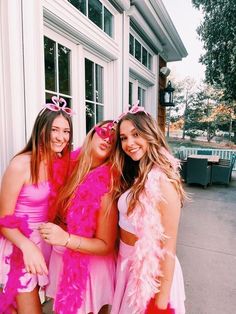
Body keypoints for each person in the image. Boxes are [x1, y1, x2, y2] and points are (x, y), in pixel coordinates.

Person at [0, 96, 73, 313]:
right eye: (55, 129)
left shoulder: (59, 164)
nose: (61, 137)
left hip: (45, 243)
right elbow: (3, 219)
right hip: (20, 246)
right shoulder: (21, 164)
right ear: (42, 130)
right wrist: (27, 246)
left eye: (66, 131)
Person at [110, 106, 186, 314]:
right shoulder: (137, 173)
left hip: (151, 274)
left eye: (136, 135)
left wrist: (160, 305)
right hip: (127, 265)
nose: (129, 143)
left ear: (150, 134)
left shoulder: (162, 182)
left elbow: (168, 250)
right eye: (124, 138)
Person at [39, 120, 118, 314]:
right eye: (104, 131)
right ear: (92, 134)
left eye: (115, 139)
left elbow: (105, 245)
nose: (108, 138)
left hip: (89, 270)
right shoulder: (68, 167)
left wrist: (65, 238)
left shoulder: (107, 185)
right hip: (63, 260)